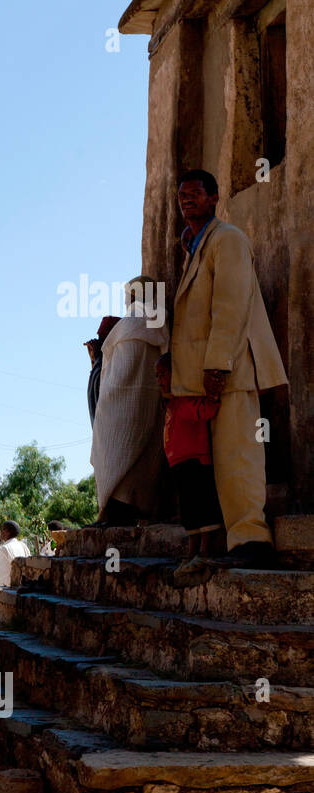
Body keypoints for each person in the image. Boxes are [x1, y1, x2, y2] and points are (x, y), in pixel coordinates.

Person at [171, 169, 288, 567]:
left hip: (233, 370)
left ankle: (252, 541)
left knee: (240, 455)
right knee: (224, 460)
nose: (187, 200)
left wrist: (217, 366)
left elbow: (231, 306)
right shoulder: (196, 247)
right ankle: (238, 540)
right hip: (209, 377)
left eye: (195, 194)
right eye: (182, 195)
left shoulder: (229, 240)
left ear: (215, 198)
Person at [90, 280, 169, 526]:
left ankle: (117, 511)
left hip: (123, 406)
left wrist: (106, 404)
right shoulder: (158, 322)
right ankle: (124, 509)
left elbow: (122, 375)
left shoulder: (132, 324)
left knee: (120, 455)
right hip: (145, 404)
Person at [156, 354, 225, 575]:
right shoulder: (171, 404)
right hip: (178, 464)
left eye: (163, 374)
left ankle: (204, 550)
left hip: (195, 460)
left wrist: (213, 397)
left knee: (201, 503)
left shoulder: (183, 401)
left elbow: (204, 410)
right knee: (188, 509)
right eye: (157, 376)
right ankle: (192, 550)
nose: (160, 380)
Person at [85, 315, 121, 425]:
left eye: (103, 338)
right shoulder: (101, 367)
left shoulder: (113, 366)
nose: (99, 342)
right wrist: (96, 359)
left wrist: (97, 359)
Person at [0, 520, 31, 587]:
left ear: (7, 532)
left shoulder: (4, 549)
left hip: (8, 588)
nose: (1, 532)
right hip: (22, 586)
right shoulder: (23, 546)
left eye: (2, 529)